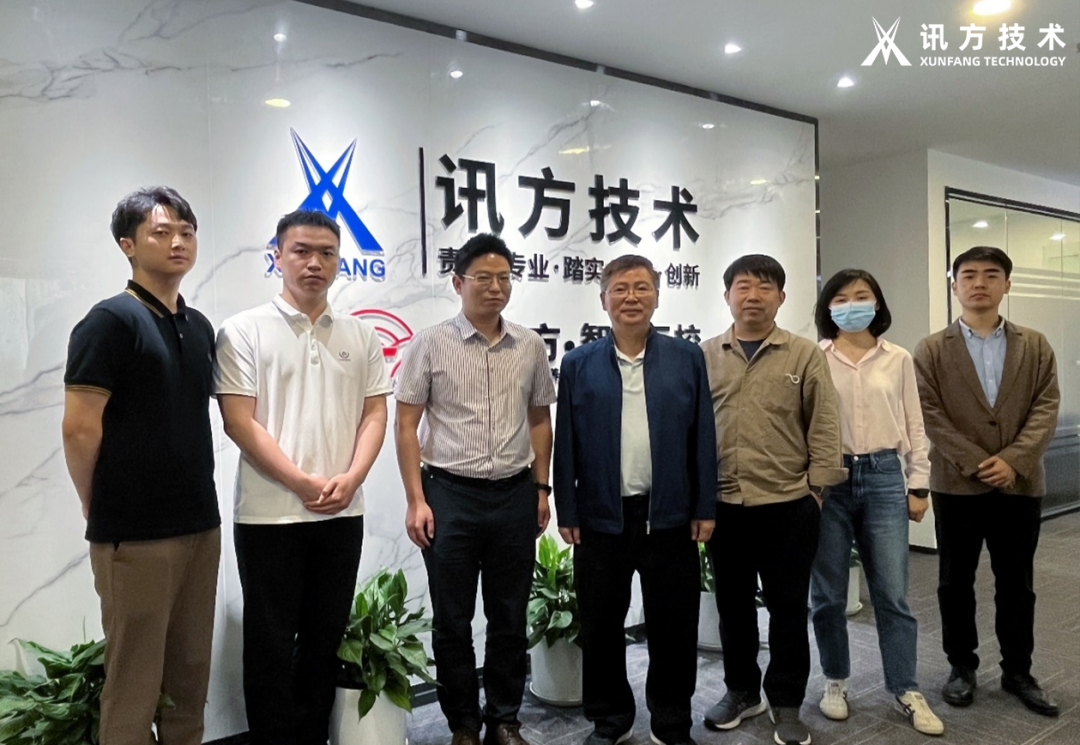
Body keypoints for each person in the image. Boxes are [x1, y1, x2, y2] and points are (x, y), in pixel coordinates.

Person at [215, 209, 391, 745]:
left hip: (342, 512)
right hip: (269, 516)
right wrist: (300, 482)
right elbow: (239, 420)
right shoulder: (242, 330)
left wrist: (352, 477)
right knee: (269, 645)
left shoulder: (362, 335)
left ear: (339, 261)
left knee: (323, 640)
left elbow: (375, 413)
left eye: (326, 253)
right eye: (301, 251)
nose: (314, 263)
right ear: (277, 257)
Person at [62, 186, 221, 745]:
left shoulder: (199, 326)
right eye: (162, 232)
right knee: (133, 683)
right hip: (134, 535)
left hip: (200, 525)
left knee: (190, 676)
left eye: (187, 232)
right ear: (127, 244)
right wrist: (95, 501)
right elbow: (79, 428)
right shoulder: (110, 321)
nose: (178, 242)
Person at [394, 233, 557, 745]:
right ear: (457, 282)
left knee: (509, 615)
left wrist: (542, 489)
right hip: (449, 495)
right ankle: (463, 723)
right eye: (483, 278)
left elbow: (540, 419)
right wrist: (416, 499)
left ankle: (504, 718)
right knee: (452, 620)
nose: (495, 287)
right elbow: (406, 425)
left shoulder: (529, 345)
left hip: (513, 494)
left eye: (504, 278)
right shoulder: (429, 343)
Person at [553, 255, 716, 745]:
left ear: (657, 296)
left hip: (670, 516)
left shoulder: (686, 358)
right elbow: (566, 443)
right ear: (603, 299)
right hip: (601, 518)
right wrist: (568, 510)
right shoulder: (579, 364)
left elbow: (702, 437)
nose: (631, 297)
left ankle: (671, 720)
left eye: (642, 287)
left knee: (674, 625)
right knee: (601, 625)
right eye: (620, 288)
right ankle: (610, 719)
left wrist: (704, 506)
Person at [699, 254, 846, 745]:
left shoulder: (803, 354)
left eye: (765, 287)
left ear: (781, 297)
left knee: (787, 609)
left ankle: (786, 701)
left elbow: (824, 423)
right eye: (743, 286)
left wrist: (816, 491)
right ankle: (742, 691)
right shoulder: (705, 354)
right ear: (727, 296)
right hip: (725, 504)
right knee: (733, 608)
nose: (753, 296)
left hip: (789, 504)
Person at [913, 245, 1060, 717]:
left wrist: (1013, 460)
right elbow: (929, 413)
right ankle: (962, 667)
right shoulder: (931, 349)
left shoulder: (1034, 344)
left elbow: (1046, 407)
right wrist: (978, 461)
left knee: (1017, 583)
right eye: (969, 275)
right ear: (955, 285)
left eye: (991, 274)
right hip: (957, 485)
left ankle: (1019, 671)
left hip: (1019, 485)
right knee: (954, 582)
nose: (979, 283)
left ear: (1006, 284)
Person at [809, 269, 944, 735]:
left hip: (886, 474)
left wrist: (919, 484)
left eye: (862, 296)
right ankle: (835, 680)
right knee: (827, 594)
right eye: (841, 298)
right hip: (830, 478)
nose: (852, 305)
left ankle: (905, 687)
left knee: (892, 592)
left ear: (878, 304)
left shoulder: (898, 358)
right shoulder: (815, 357)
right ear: (828, 308)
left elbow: (915, 422)